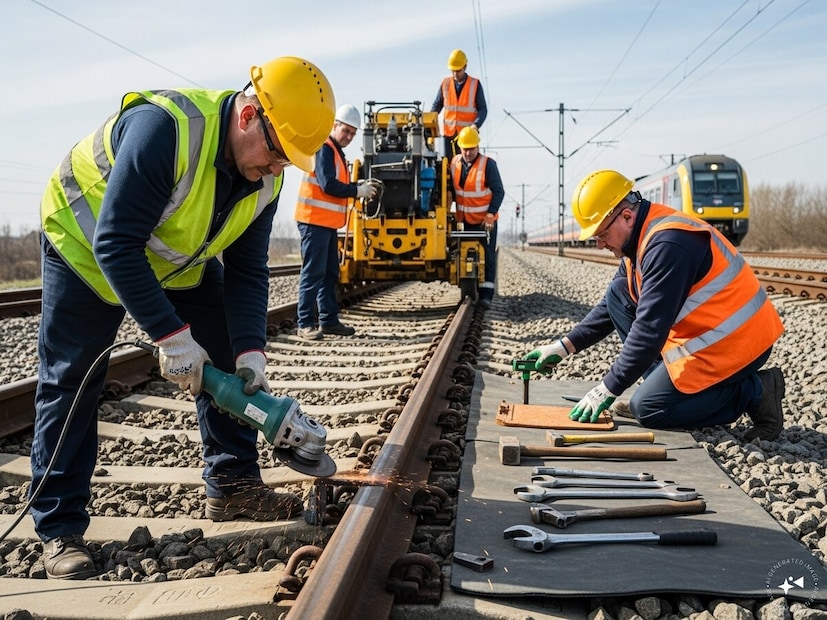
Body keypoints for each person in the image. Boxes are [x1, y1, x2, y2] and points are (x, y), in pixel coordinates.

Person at [33, 56, 336, 580]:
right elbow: (115, 242)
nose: (277, 168)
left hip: (165, 259)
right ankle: (58, 529)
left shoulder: (265, 178)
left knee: (222, 339)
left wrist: (249, 351)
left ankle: (235, 487)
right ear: (247, 116)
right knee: (72, 378)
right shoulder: (166, 131)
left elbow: (246, 271)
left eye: (288, 160)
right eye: (276, 153)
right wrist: (172, 338)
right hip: (82, 244)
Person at [524, 170, 786, 442]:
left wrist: (607, 388)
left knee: (648, 409)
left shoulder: (667, 244)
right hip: (707, 337)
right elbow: (611, 306)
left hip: (739, 342)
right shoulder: (639, 239)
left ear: (626, 216)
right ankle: (666, 389)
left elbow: (649, 331)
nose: (599, 243)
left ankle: (756, 391)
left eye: (601, 234)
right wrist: (564, 346)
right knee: (618, 293)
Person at [294, 104, 377, 340]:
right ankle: (305, 323)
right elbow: (327, 184)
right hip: (314, 222)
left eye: (353, 133)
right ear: (334, 126)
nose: (349, 136)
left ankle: (329, 321)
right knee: (313, 273)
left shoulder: (336, 152)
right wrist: (357, 191)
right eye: (346, 130)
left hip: (327, 224)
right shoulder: (324, 148)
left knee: (329, 273)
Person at [450, 126, 504, 309]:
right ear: (459, 147)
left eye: (471, 148)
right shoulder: (453, 163)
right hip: (463, 221)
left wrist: (490, 214)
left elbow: (499, 191)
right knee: (460, 254)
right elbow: (451, 190)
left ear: (478, 147)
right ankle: (466, 287)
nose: (467, 152)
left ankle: (486, 295)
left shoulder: (488, 165)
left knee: (488, 256)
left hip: (484, 222)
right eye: (464, 148)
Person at [431, 49, 488, 159]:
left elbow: (483, 109)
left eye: (458, 70)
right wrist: (428, 121)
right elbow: (437, 106)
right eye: (453, 71)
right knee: (447, 169)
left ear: (465, 67)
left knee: (467, 168)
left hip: (468, 137)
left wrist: (475, 125)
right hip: (448, 136)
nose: (455, 74)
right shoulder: (445, 83)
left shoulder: (475, 84)